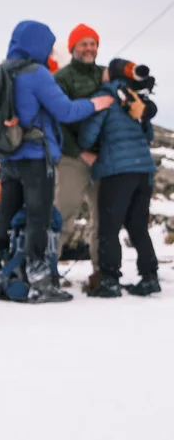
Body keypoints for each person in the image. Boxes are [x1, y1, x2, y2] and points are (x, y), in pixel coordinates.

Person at [0, 20, 114, 303]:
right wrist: (97, 103)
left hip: (9, 157)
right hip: (35, 157)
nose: (52, 52)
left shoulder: (1, 71)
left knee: (4, 217)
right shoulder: (37, 74)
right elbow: (66, 111)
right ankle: (40, 280)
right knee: (38, 218)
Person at [76, 67, 160, 297]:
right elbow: (149, 134)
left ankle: (110, 280)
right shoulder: (135, 99)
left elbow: (87, 137)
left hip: (116, 172)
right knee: (138, 226)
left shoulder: (105, 97)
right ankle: (150, 277)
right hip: (143, 170)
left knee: (109, 228)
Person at [53, 22, 106, 287]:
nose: (89, 48)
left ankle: (102, 271)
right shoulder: (61, 78)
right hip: (72, 157)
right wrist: (79, 152)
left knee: (103, 217)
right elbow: (57, 121)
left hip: (104, 159)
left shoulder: (106, 75)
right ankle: (48, 270)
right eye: (84, 43)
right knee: (64, 212)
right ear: (72, 47)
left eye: (93, 43)